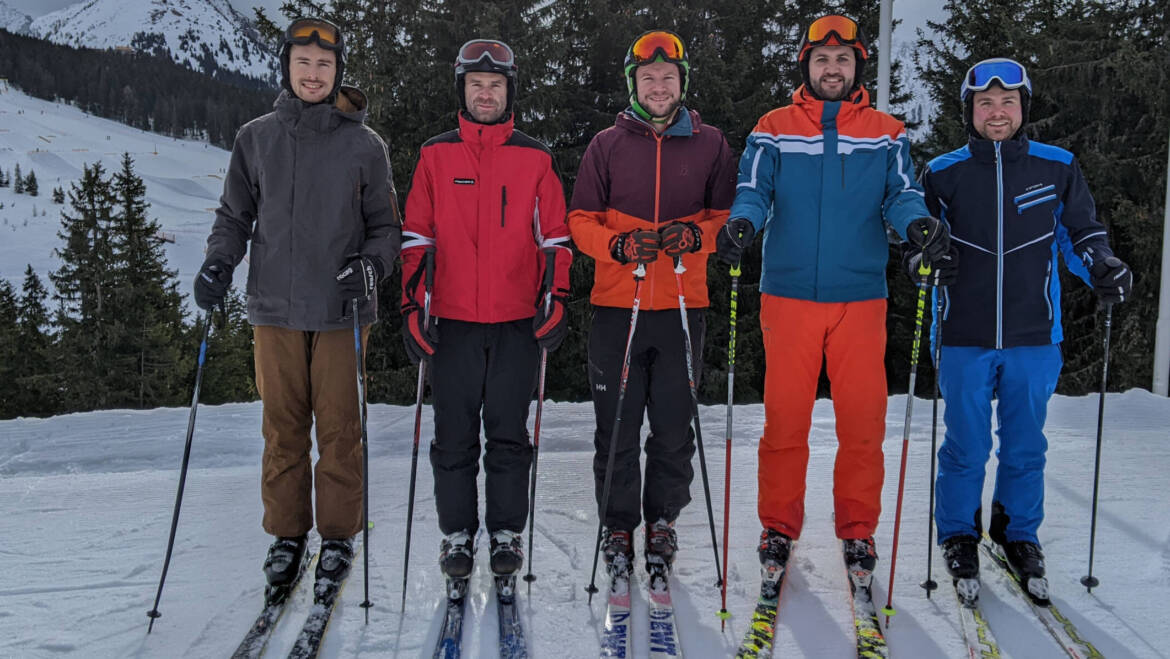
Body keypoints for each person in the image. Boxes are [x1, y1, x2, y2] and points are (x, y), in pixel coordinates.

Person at [716, 14, 947, 593]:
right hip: (788, 295)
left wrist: (918, 227)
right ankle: (778, 528)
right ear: (806, 65)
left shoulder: (886, 131)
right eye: (822, 60)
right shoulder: (773, 128)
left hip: (860, 297)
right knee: (785, 422)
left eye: (843, 60)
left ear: (857, 67)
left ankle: (857, 529)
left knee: (864, 424)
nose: (832, 69)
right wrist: (741, 227)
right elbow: (754, 191)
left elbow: (901, 194)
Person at [193, 17, 401, 596]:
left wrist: (370, 266)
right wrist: (218, 263)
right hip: (275, 311)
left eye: (325, 66)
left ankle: (337, 537)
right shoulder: (255, 137)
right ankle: (287, 536)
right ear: (287, 67)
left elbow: (387, 230)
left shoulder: (364, 145)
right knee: (282, 431)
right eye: (304, 64)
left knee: (339, 429)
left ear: (338, 73)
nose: (313, 75)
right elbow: (234, 217)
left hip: (340, 312)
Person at [917, 57, 1132, 599]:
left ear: (1022, 108)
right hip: (963, 334)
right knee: (965, 445)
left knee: (1024, 445)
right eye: (985, 103)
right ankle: (959, 534)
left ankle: (1017, 534)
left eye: (1007, 102)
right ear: (969, 110)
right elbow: (919, 244)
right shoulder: (943, 173)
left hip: (1035, 334)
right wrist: (922, 264)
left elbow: (1081, 234)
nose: (996, 112)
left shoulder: (1056, 167)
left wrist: (1102, 265)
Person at [400, 39, 571, 583]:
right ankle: (456, 533)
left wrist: (557, 299)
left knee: (508, 434)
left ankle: (505, 533)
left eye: (496, 85)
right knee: (452, 434)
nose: (486, 94)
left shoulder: (535, 157)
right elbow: (415, 238)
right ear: (463, 90)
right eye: (476, 85)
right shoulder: (435, 155)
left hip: (517, 322)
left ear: (509, 91)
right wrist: (412, 304)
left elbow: (557, 241)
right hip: (451, 323)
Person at [569, 30, 736, 581]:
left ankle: (662, 520)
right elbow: (579, 222)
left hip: (686, 307)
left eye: (668, 77)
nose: (659, 86)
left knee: (672, 426)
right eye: (648, 78)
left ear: (682, 82)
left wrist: (696, 235)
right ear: (634, 84)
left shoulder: (710, 143)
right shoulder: (605, 145)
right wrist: (616, 246)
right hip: (619, 306)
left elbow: (728, 219)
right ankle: (618, 525)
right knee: (616, 425)